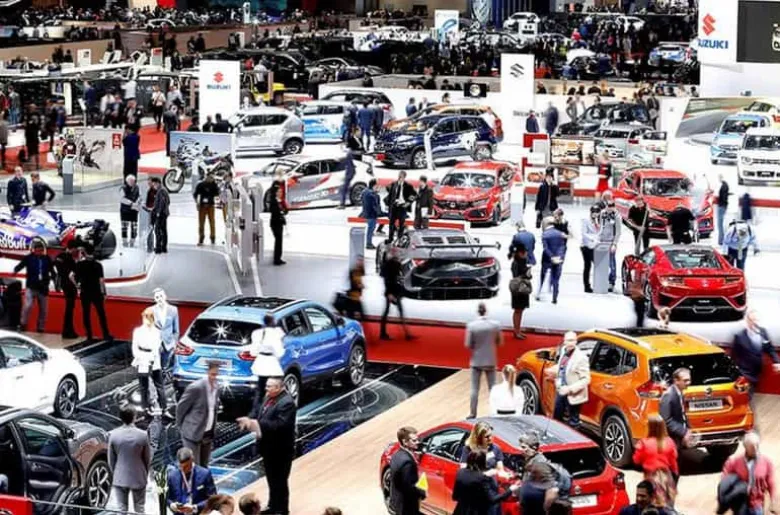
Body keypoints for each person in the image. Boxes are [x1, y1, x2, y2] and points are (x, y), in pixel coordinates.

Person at [237, 377, 297, 515]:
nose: (266, 389)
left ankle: (281, 510)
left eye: (269, 386)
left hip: (281, 450)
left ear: (278, 387)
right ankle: (273, 505)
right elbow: (260, 414)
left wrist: (256, 424)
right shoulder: (268, 397)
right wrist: (250, 420)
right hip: (268, 448)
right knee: (272, 480)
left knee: (280, 481)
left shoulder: (287, 403)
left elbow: (280, 425)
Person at [176, 361, 220, 466]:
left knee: (204, 468)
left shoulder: (217, 387)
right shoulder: (196, 388)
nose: (214, 377)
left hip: (207, 433)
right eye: (212, 374)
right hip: (192, 433)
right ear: (207, 372)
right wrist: (180, 426)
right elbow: (181, 408)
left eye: (216, 375)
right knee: (193, 467)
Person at [108, 405, 151, 514]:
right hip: (138, 476)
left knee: (121, 509)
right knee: (140, 508)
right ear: (134, 417)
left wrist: (115, 473)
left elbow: (111, 460)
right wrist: (145, 473)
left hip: (120, 477)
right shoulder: (143, 435)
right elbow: (147, 459)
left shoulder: (113, 435)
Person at [722, 432, 777, 515]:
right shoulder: (734, 462)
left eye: (757, 445)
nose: (755, 448)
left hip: (757, 504)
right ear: (745, 447)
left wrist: (773, 500)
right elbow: (725, 480)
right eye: (752, 447)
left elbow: (770, 482)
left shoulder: (766, 462)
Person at [731, 310, 780, 403]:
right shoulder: (739, 336)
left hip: (757, 371)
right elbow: (734, 355)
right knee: (746, 397)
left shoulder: (763, 332)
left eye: (756, 320)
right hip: (744, 372)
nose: (754, 322)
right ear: (747, 320)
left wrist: (777, 361)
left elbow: (769, 348)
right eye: (752, 320)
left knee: (749, 394)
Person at [545, 331, 590, 429]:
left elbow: (586, 379)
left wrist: (569, 389)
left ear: (576, 341)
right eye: (569, 340)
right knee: (557, 417)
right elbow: (562, 367)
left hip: (574, 393)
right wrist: (553, 371)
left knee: (573, 423)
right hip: (561, 390)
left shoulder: (581, 358)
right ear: (564, 341)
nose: (571, 343)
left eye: (573, 340)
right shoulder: (564, 351)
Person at [633, 415, 679, 509]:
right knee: (667, 505)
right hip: (666, 477)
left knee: (651, 505)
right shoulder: (670, 442)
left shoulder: (644, 443)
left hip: (650, 478)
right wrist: (675, 475)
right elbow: (673, 463)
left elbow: (636, 460)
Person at [453, 450, 518, 515]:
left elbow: (455, 497)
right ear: (482, 463)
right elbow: (493, 499)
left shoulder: (460, 472)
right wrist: (510, 490)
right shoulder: (483, 478)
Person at [465, 303, 502, 419]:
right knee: (492, 388)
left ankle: (472, 413)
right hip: (490, 360)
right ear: (486, 311)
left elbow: (468, 344)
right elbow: (499, 342)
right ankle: (495, 411)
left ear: (478, 311)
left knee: (474, 389)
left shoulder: (472, 326)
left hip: (476, 361)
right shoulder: (495, 325)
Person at [14, 240, 56, 332]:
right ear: (34, 250)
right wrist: (16, 270)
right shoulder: (29, 258)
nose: (39, 252)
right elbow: (21, 265)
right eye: (37, 250)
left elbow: (52, 270)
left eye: (41, 250)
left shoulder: (47, 259)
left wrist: (54, 278)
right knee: (27, 306)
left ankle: (41, 327)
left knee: (43, 310)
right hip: (31, 286)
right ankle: (22, 323)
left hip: (43, 287)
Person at [132, 308, 168, 416]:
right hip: (141, 360)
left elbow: (156, 347)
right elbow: (134, 346)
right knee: (143, 386)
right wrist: (140, 357)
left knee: (159, 385)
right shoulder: (138, 331)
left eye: (149, 318)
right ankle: (145, 408)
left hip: (153, 361)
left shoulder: (157, 332)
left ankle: (163, 407)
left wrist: (150, 359)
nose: (146, 320)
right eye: (145, 318)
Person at [248, 315, 285, 416]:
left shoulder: (256, 333)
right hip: (272, 365)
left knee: (260, 390)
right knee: (275, 390)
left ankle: (255, 413)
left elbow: (253, 352)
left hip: (260, 365)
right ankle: (271, 413)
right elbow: (279, 352)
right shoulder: (276, 334)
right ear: (273, 321)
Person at [166, 447, 217, 514]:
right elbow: (166, 498)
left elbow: (213, 498)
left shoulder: (205, 474)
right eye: (181, 467)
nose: (183, 470)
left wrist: (195, 507)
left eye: (186, 466)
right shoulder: (172, 476)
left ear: (192, 460)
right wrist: (171, 504)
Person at [389, 427, 426, 515]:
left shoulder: (396, 455)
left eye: (418, 439)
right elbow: (409, 487)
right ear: (405, 442)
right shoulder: (407, 462)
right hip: (407, 507)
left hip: (397, 504)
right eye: (414, 440)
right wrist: (421, 492)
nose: (418, 442)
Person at [379, 247, 413, 340]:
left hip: (394, 290)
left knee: (397, 311)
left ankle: (406, 333)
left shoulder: (395, 264)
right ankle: (383, 333)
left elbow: (397, 277)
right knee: (388, 311)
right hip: (391, 291)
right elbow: (387, 280)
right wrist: (389, 293)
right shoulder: (388, 265)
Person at [659, 368, 695, 451]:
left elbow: (682, 414)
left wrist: (688, 429)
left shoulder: (679, 393)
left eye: (689, 380)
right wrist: (684, 432)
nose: (688, 383)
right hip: (671, 438)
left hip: (678, 437)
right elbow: (666, 420)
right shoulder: (668, 395)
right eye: (685, 380)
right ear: (676, 381)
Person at [537, 217, 567, 304]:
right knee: (555, 279)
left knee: (543, 276)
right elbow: (562, 246)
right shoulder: (560, 233)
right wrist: (559, 257)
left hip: (547, 259)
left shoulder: (545, 234)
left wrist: (551, 256)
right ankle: (554, 297)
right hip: (558, 259)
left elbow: (546, 248)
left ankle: (539, 294)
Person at [54, 241, 80, 339]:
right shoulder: (67, 258)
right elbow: (71, 274)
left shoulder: (61, 257)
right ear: (72, 248)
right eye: (75, 249)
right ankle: (67, 331)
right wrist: (77, 285)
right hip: (69, 285)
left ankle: (68, 330)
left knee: (69, 309)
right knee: (69, 309)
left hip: (65, 285)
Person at [153, 287, 180, 375]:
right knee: (156, 366)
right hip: (156, 342)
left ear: (165, 296)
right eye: (157, 297)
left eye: (161, 296)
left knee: (166, 365)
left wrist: (174, 343)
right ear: (154, 299)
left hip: (168, 343)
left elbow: (176, 329)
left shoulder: (173, 310)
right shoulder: (151, 310)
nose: (159, 299)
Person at [598, 193, 621, 292]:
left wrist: (614, 244)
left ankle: (612, 282)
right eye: (608, 206)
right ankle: (602, 280)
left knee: (611, 263)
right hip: (602, 241)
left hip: (611, 242)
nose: (609, 208)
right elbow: (601, 226)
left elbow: (618, 231)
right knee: (602, 262)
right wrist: (598, 238)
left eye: (611, 206)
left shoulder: (617, 216)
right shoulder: (602, 213)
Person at [386, 171, 416, 242]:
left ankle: (400, 238)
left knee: (401, 224)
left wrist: (408, 203)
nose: (399, 177)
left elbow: (414, 195)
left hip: (402, 207)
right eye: (399, 176)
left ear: (404, 177)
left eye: (401, 176)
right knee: (391, 223)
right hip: (394, 207)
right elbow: (390, 195)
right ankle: (390, 238)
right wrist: (388, 205)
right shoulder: (394, 184)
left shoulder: (408, 186)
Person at [510, 246, 531, 339]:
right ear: (520, 253)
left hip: (522, 288)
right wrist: (526, 274)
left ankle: (518, 330)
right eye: (524, 252)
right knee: (518, 310)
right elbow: (516, 276)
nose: (526, 254)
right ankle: (516, 331)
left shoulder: (523, 262)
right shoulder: (516, 263)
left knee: (520, 310)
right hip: (518, 288)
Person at [194, 173, 220, 246]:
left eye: (212, 178)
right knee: (201, 223)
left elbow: (217, 194)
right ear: (206, 177)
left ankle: (213, 237)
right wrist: (197, 203)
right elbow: (196, 195)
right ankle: (201, 237)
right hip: (202, 206)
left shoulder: (214, 185)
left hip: (211, 205)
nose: (211, 179)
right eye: (210, 177)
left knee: (212, 222)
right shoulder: (200, 185)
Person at [581, 205, 601, 293]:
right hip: (586, 246)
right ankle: (587, 286)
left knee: (592, 265)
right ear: (591, 212)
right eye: (594, 213)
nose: (596, 214)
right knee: (588, 266)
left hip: (594, 245)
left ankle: (596, 285)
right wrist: (593, 239)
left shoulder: (597, 220)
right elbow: (584, 233)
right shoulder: (586, 220)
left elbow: (598, 232)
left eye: (597, 213)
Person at [268, 180, 287, 266]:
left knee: (279, 240)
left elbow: (284, 210)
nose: (281, 193)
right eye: (279, 192)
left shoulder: (279, 201)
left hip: (279, 223)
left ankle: (278, 257)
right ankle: (277, 258)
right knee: (278, 240)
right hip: (276, 223)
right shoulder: (274, 202)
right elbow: (275, 212)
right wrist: (281, 213)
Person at [359, 179, 382, 249]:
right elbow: (376, 207)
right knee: (371, 229)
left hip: (365, 213)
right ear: (374, 186)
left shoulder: (364, 191)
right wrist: (381, 213)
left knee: (370, 229)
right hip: (372, 215)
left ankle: (369, 243)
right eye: (377, 186)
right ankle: (369, 244)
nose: (378, 187)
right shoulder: (373, 195)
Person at [120, 175, 141, 247]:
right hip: (125, 211)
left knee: (134, 227)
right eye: (130, 181)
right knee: (124, 227)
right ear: (127, 181)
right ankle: (124, 242)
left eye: (133, 181)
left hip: (134, 210)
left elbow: (139, 196)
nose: (132, 182)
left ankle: (132, 242)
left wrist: (137, 203)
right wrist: (131, 203)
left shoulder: (137, 187)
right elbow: (122, 199)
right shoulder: (123, 188)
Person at [150, 177, 170, 253]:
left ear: (157, 183)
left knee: (158, 230)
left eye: (154, 184)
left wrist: (158, 212)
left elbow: (162, 202)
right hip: (164, 213)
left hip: (161, 214)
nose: (153, 186)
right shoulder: (164, 190)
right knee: (163, 230)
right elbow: (168, 202)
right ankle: (163, 247)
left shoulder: (161, 191)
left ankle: (158, 248)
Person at [717, 174, 730, 246]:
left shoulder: (724, 186)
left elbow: (724, 196)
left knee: (720, 224)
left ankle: (721, 240)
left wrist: (722, 204)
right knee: (720, 224)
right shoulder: (725, 185)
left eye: (719, 177)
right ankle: (721, 240)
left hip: (722, 206)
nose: (719, 179)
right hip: (723, 205)